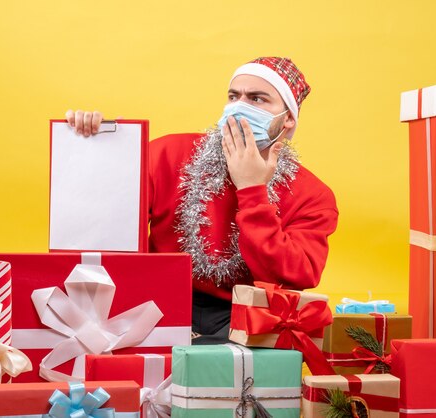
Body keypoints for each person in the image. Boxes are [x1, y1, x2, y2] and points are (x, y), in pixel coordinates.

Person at [66, 57, 338, 344]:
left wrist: (252, 190)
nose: (239, 107)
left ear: (288, 118)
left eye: (257, 99)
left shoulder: (313, 194)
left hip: (245, 317)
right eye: (234, 96)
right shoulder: (167, 154)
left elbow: (294, 277)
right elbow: (106, 231)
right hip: (155, 303)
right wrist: (99, 148)